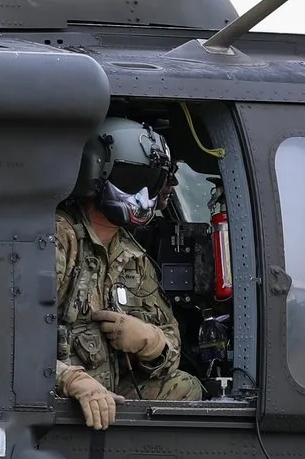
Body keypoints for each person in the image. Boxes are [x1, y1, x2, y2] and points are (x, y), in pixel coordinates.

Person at [55, 116, 206, 428]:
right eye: (130, 178)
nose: (142, 195)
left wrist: (150, 343)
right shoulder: (60, 238)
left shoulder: (132, 254)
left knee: (186, 388)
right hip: (53, 397)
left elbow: (171, 346)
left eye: (151, 182)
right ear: (95, 174)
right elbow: (7, 339)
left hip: (107, 392)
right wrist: (70, 380)